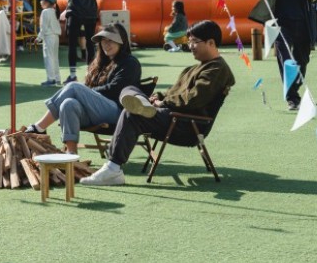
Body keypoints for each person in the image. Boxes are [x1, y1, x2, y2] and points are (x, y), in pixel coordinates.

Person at [80, 21, 235, 186]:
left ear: (211, 42)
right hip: (173, 116)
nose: (190, 46)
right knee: (130, 89)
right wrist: (156, 97)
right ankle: (143, 103)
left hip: (186, 124)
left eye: (195, 41)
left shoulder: (216, 69)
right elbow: (172, 92)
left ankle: (112, 169)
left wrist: (163, 102)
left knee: (132, 114)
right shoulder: (194, 68)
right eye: (189, 41)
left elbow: (193, 99)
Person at [24, 23, 141, 154]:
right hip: (95, 111)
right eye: (103, 40)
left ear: (122, 41)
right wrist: (87, 94)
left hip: (118, 113)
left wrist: (87, 93)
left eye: (111, 40)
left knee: (74, 87)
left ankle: (39, 127)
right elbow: (91, 90)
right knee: (68, 104)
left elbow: (115, 89)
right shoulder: (101, 62)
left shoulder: (130, 63)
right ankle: (72, 155)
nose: (106, 44)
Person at [248, 0, 317, 112]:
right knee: (286, 60)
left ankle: (294, 88)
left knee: (302, 61)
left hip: (303, 24)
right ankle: (292, 98)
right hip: (280, 25)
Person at [62, 0, 100, 84]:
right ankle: (91, 74)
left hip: (75, 9)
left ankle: (72, 75)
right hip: (90, 10)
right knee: (90, 43)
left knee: (72, 43)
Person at [36, 0, 62, 86]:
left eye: (42, 0)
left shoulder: (45, 12)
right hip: (55, 37)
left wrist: (38, 38)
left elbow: (44, 27)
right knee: (55, 58)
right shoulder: (54, 11)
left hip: (49, 37)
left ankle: (51, 79)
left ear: (47, 2)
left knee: (48, 58)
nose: (40, 2)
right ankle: (57, 77)